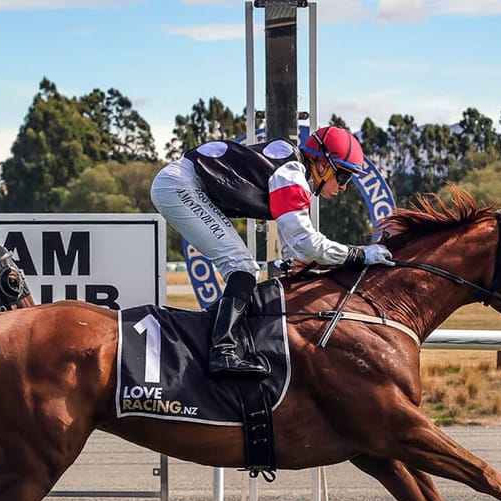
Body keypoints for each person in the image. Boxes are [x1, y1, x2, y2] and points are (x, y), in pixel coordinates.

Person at [151, 125, 393, 377]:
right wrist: (361, 254)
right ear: (322, 165)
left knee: (243, 269)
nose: (344, 187)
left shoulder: (294, 172)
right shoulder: (291, 173)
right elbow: (306, 242)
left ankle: (213, 340)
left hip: (184, 183)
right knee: (243, 268)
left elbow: (294, 243)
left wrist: (294, 263)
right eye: (344, 176)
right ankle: (222, 353)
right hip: (181, 186)